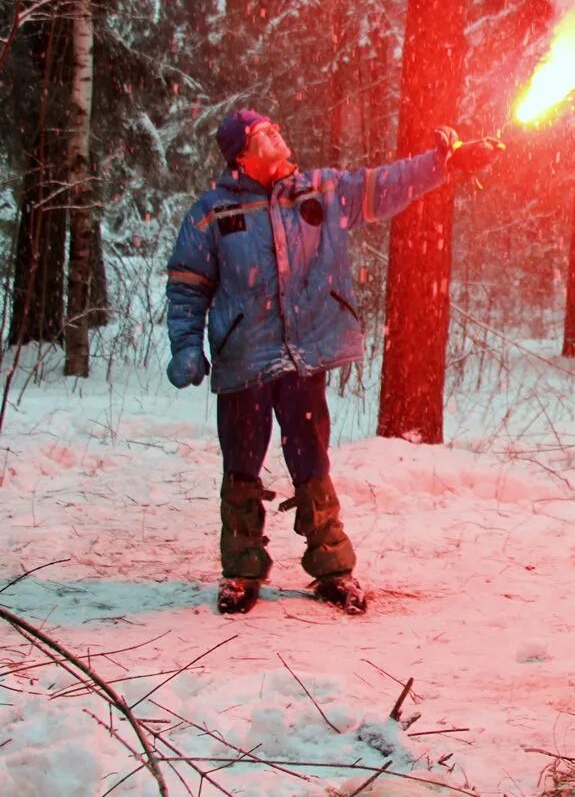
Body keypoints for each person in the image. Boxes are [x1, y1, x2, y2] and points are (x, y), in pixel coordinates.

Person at [165, 110, 503, 615]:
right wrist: (187, 347)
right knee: (241, 461)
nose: (279, 135)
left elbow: (384, 184)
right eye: (265, 134)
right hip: (244, 357)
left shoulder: (320, 191)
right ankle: (239, 572)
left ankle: (332, 569)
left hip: (306, 353)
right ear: (241, 154)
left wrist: (444, 163)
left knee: (311, 457)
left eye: (277, 127)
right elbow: (188, 286)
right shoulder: (211, 213)